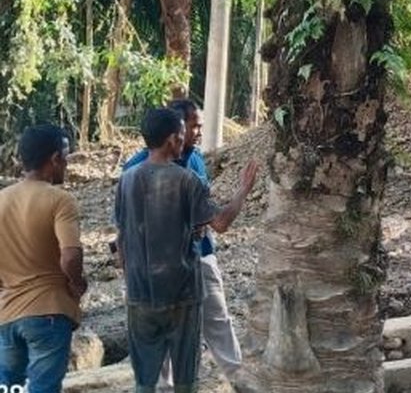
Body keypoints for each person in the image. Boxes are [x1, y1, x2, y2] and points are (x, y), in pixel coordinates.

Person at [115, 108, 258, 393]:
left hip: (140, 293)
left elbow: (121, 236)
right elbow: (220, 222)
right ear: (171, 139)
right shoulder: (186, 180)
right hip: (182, 293)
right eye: (183, 133)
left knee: (145, 380)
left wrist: (130, 275)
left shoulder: (127, 179)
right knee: (185, 379)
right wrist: (243, 189)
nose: (188, 138)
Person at [0, 125, 86, 393]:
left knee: (9, 386)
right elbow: (70, 255)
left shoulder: (2, 199)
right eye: (66, 157)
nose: (67, 165)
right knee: (44, 387)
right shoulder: (60, 200)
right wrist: (76, 283)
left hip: (7, 314)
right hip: (49, 311)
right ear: (54, 159)